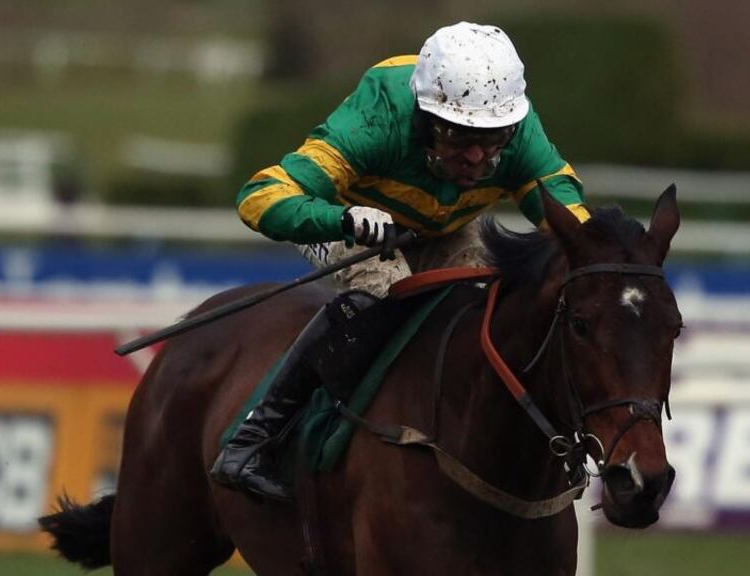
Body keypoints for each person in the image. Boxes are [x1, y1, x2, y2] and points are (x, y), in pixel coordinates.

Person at [210, 21, 591, 501]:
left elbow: (569, 217)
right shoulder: (379, 117)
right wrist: (342, 218)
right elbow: (260, 197)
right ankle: (254, 440)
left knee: (495, 296)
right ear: (425, 118)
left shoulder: (517, 129)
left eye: (492, 138)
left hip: (449, 226)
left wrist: (596, 248)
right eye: (457, 136)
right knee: (384, 291)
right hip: (355, 225)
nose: (475, 156)